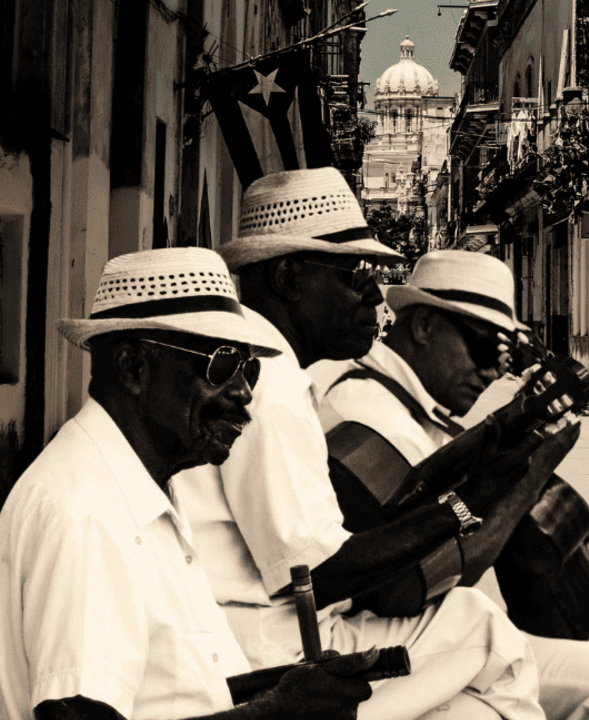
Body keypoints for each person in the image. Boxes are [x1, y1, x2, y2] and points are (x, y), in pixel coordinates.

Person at [170, 168, 554, 720]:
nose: (376, 295)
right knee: (485, 629)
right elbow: (318, 573)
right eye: (356, 275)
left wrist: (489, 448)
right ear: (288, 277)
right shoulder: (266, 381)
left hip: (265, 629)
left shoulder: (261, 363)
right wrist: (463, 506)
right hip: (275, 649)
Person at [0, 248, 378, 720]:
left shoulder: (140, 489)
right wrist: (277, 712)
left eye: (249, 369)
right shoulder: (87, 514)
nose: (243, 393)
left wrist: (291, 688)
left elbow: (174, 693)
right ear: (134, 366)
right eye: (221, 364)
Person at [317, 250, 589, 720]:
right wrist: (537, 467)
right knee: (547, 678)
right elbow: (436, 575)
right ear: (424, 326)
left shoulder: (398, 403)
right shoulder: (371, 414)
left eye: (506, 355)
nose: (494, 370)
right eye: (485, 349)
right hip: (353, 639)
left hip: (386, 630)